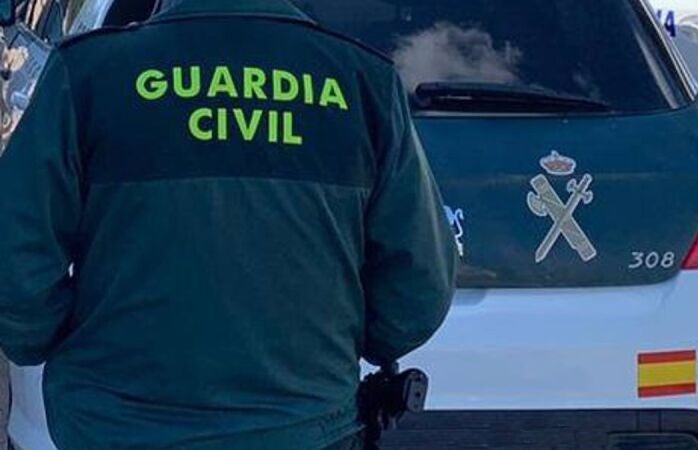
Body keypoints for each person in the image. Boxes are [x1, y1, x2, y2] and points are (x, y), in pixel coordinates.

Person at [0, 0, 456, 448]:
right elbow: (419, 290)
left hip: (117, 425)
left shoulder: (89, 73)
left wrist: (62, 345)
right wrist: (333, 353)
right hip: (305, 427)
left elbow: (15, 266)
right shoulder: (362, 81)